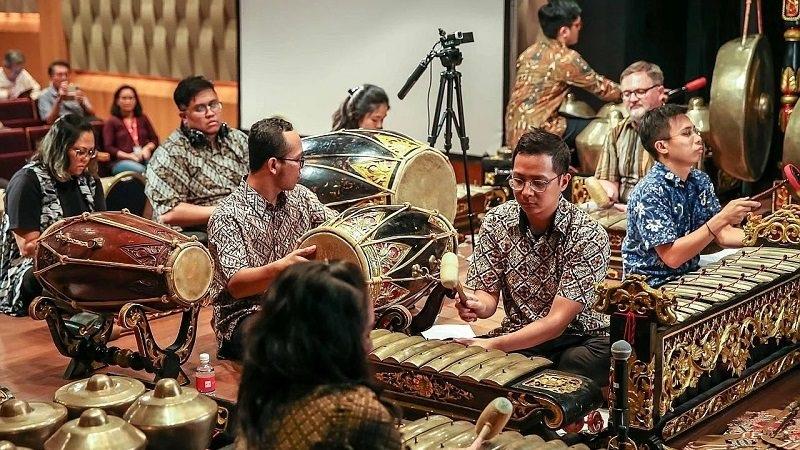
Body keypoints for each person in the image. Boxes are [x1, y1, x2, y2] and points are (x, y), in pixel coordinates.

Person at [455, 128, 611, 388]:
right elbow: (488, 298)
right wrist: (476, 304)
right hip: (521, 334)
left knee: (576, 363)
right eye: (518, 180)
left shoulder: (588, 234)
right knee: (472, 367)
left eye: (539, 182)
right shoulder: (496, 221)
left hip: (580, 337)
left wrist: (493, 345)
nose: (526, 191)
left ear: (563, 181)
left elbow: (556, 323)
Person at [234, 261, 402, 450]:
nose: (370, 346)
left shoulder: (260, 391)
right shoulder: (356, 410)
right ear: (337, 340)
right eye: (366, 334)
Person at [207, 116, 335, 360]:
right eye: (298, 161)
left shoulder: (302, 197)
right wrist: (282, 268)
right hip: (245, 315)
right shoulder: (227, 215)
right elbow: (237, 285)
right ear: (274, 165)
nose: (302, 168)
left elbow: (336, 227)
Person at [622, 104, 760, 287]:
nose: (698, 139)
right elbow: (672, 257)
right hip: (651, 288)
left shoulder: (699, 180)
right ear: (662, 146)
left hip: (688, 276)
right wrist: (723, 217)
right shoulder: (649, 192)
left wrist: (765, 235)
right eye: (687, 134)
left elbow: (723, 235)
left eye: (695, 132)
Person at [0, 114, 106, 315]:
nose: (86, 158)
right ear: (60, 148)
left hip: (81, 261)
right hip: (27, 269)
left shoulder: (90, 181)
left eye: (90, 152)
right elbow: (28, 248)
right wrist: (76, 249)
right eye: (79, 152)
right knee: (61, 273)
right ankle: (91, 319)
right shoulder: (27, 181)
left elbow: (102, 230)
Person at [505, 0, 621, 151]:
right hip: (539, 132)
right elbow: (603, 89)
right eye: (577, 25)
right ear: (564, 31)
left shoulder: (528, 54)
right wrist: (632, 91)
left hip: (514, 132)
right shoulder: (565, 58)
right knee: (598, 128)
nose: (580, 29)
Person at [145, 75, 248, 234]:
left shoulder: (238, 139)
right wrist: (228, 210)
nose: (210, 113)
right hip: (197, 235)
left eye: (213, 105)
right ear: (184, 117)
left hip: (242, 221)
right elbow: (168, 212)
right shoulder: (170, 153)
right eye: (200, 108)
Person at [594, 61, 666, 206]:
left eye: (640, 92)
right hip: (623, 212)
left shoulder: (680, 131)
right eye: (626, 94)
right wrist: (608, 191)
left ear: (659, 92)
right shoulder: (617, 132)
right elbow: (608, 179)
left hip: (663, 214)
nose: (632, 99)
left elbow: (687, 191)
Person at [102, 85, 159, 174]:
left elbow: (154, 139)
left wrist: (147, 148)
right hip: (120, 162)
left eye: (131, 98)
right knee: (143, 171)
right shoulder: (112, 121)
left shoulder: (142, 118)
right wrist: (129, 156)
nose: (127, 101)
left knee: (158, 168)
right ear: (117, 101)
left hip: (143, 157)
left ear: (136, 101)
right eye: (124, 98)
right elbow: (109, 147)